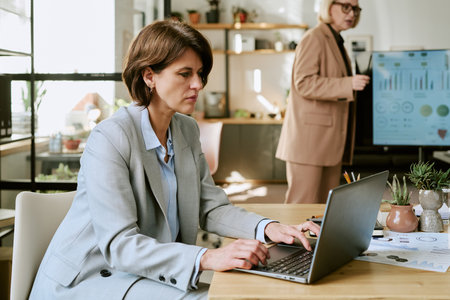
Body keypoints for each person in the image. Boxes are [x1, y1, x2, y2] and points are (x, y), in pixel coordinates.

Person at [29, 20, 320, 300]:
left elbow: (211, 207)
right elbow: (121, 245)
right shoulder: (110, 138)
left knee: (251, 289)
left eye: (200, 73)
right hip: (91, 280)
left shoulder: (186, 129)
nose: (198, 84)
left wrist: (269, 228)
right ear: (149, 76)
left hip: (144, 273)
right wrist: (207, 256)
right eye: (185, 74)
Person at [276, 0, 370, 204]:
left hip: (328, 141)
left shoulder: (335, 40)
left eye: (355, 9)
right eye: (346, 7)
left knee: (324, 208)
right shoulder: (314, 38)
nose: (351, 13)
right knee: (301, 207)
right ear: (328, 7)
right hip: (309, 142)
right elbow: (304, 83)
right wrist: (348, 83)